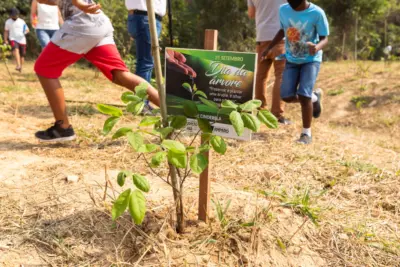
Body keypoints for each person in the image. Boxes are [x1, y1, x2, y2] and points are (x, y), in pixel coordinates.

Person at [34, 0, 160, 142]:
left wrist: (80, 5)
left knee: (44, 68)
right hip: (99, 23)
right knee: (120, 75)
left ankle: (62, 128)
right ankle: (172, 109)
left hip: (81, 24)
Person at [262, 0, 329, 144]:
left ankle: (306, 134)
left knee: (303, 95)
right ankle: (315, 98)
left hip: (311, 60)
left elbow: (325, 38)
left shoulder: (317, 13)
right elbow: (283, 30)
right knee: (286, 96)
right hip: (292, 59)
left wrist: (317, 47)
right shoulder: (283, 10)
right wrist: (269, 47)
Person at [247, 0, 291, 125]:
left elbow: (251, 14)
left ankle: (261, 112)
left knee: (261, 76)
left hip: (261, 38)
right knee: (281, 76)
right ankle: (277, 114)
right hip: (280, 39)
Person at [125, 0, 167, 82]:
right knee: (146, 63)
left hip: (146, 16)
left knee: (145, 62)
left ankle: (141, 93)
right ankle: (142, 94)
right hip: (146, 16)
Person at [4, 8, 29, 72]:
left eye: (15, 15)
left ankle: (20, 67)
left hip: (22, 39)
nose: (14, 16)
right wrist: (5, 40)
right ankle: (18, 65)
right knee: (16, 50)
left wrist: (24, 33)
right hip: (13, 39)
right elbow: (6, 31)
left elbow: (27, 30)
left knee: (22, 55)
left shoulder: (22, 21)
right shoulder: (8, 22)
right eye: (13, 15)